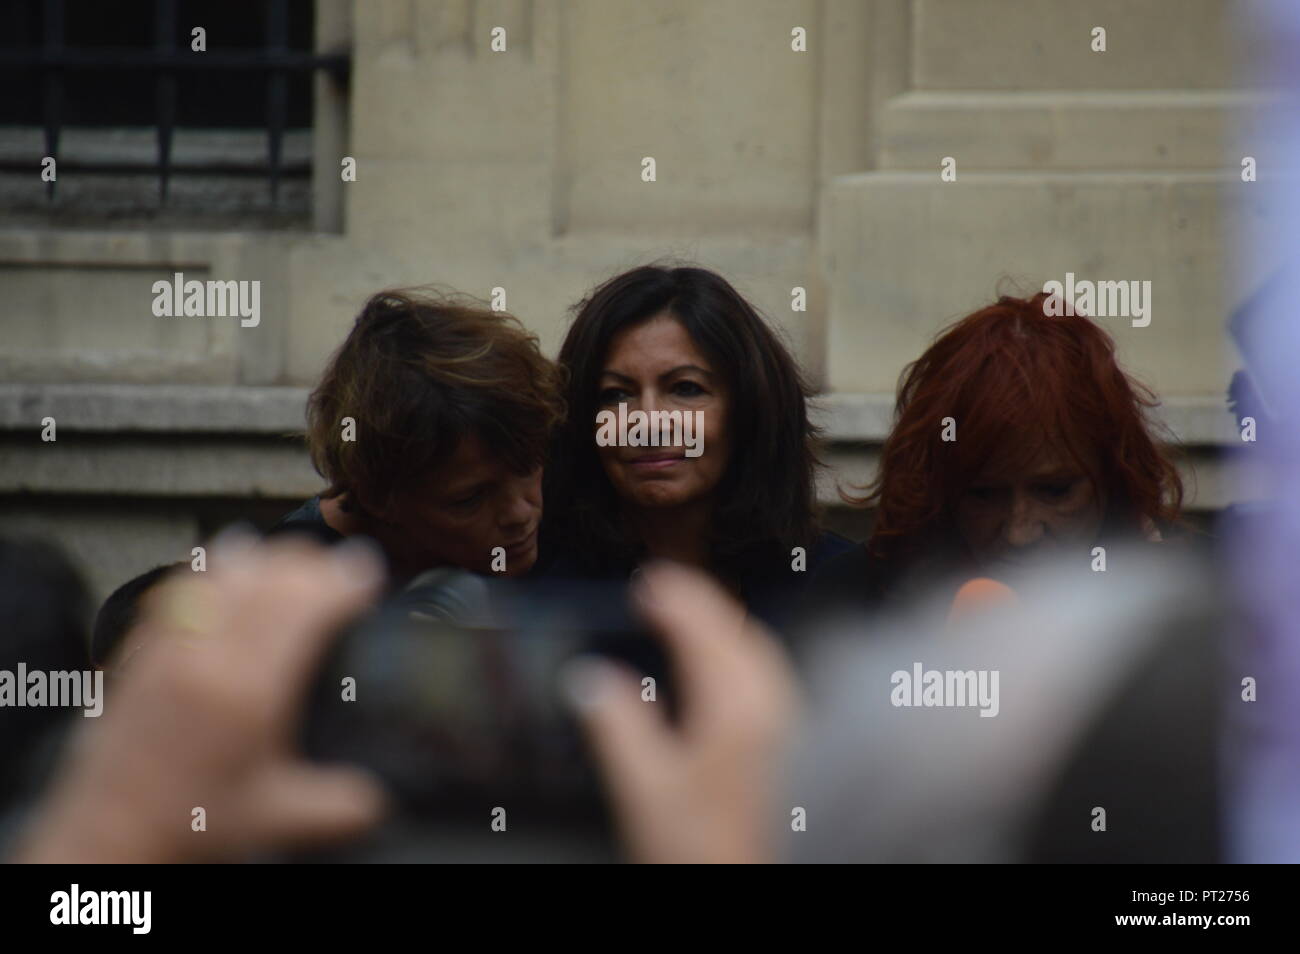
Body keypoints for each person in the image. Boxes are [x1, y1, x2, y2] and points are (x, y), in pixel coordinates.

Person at [808, 291, 1186, 614]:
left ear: (1112, 476)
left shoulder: (1216, 601)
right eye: (984, 494)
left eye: (1054, 492)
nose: (1020, 531)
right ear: (940, 489)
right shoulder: (839, 612)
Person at [539, 264, 853, 627]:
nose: (649, 423)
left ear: (750, 409)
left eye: (685, 388)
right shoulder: (542, 599)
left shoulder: (840, 589)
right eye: (615, 395)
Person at [271, 288, 565, 584]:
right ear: (378, 497)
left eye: (528, 467)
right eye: (470, 500)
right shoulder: (299, 586)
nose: (519, 514)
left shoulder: (563, 518)